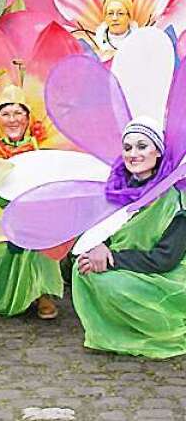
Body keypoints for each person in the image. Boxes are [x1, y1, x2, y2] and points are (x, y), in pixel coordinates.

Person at [73, 118, 186, 358]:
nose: (133, 154)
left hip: (167, 277)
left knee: (111, 283)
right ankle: (122, 330)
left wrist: (111, 258)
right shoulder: (116, 190)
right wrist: (99, 245)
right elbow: (97, 228)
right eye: (127, 148)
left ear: (158, 152)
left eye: (142, 146)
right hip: (132, 264)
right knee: (82, 268)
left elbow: (165, 259)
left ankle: (162, 330)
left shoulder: (174, 200)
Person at [0, 85, 62, 320]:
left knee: (42, 232)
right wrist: (7, 220)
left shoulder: (44, 148)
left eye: (18, 113)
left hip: (35, 212)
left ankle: (43, 291)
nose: (13, 120)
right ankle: (4, 292)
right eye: (6, 114)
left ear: (28, 117)